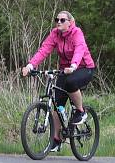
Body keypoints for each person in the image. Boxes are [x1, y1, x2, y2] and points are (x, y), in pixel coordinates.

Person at [22, 10, 96, 152]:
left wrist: (74, 65)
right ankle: (56, 140)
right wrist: (30, 66)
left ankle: (81, 111)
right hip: (65, 70)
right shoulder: (55, 34)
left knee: (71, 83)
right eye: (57, 20)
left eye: (62, 20)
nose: (59, 22)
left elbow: (79, 49)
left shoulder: (77, 33)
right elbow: (44, 50)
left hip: (84, 67)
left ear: (70, 22)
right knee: (57, 103)